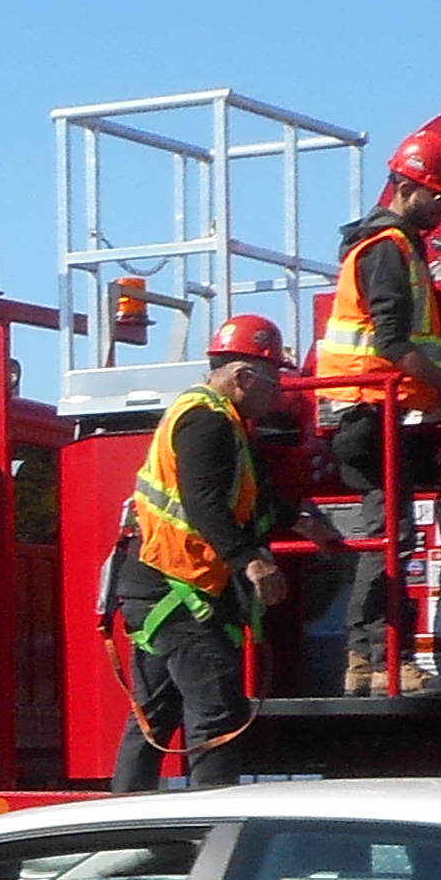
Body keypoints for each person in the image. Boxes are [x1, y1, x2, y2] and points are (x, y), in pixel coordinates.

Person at [307, 123, 441, 697]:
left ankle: (370, 662)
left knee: (389, 536)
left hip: (380, 412)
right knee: (390, 537)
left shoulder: (396, 248)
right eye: (438, 196)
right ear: (406, 187)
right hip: (370, 412)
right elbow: (393, 344)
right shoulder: (387, 251)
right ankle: (383, 659)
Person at [101, 314, 296, 790]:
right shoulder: (207, 420)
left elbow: (246, 498)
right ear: (242, 377)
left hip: (160, 587)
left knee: (155, 716)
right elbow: (203, 500)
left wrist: (297, 517)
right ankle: (211, 833)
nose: (280, 395)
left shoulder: (223, 420)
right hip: (177, 588)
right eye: (274, 383)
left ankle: (129, 831)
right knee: (218, 715)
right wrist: (248, 559)